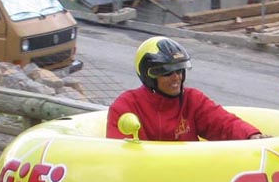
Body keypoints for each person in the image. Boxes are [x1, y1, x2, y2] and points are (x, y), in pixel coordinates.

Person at [107, 36, 268, 141]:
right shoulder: (126, 106)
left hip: (190, 178)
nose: (176, 77)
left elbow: (223, 123)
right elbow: (119, 154)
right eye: (167, 73)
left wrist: (251, 135)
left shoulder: (193, 99)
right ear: (148, 77)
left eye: (179, 70)